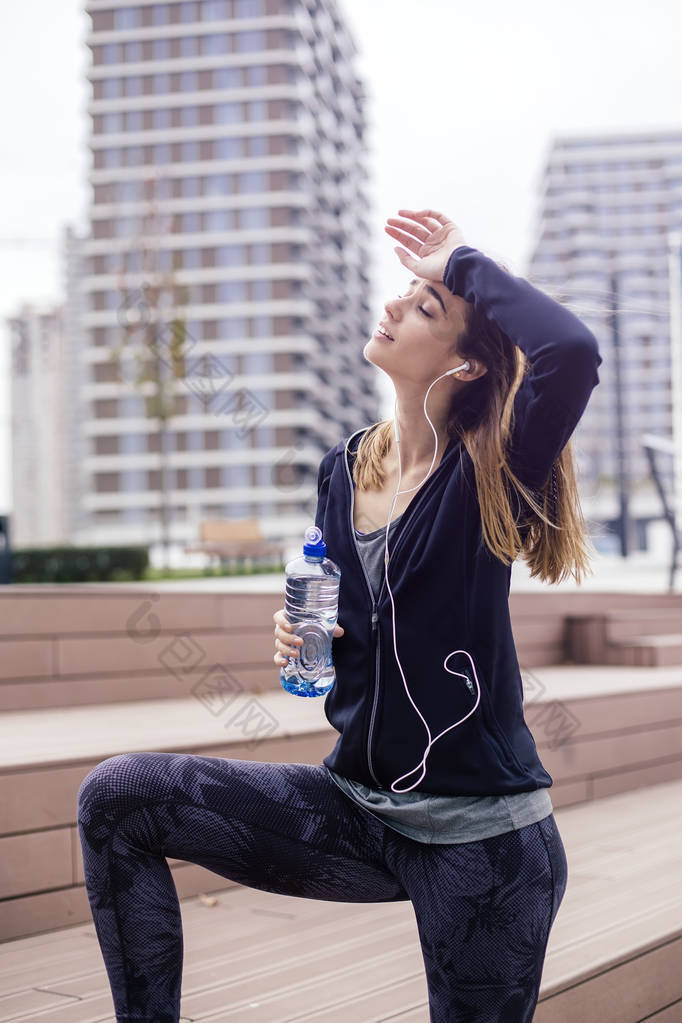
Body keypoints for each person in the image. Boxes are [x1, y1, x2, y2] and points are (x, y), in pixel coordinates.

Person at [77, 209, 602, 1022]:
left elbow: (570, 353)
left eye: (425, 308)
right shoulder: (343, 468)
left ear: (464, 364)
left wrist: (460, 263)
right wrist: (306, 637)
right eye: (407, 294)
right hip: (354, 806)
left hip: (483, 843)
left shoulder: (489, 472)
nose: (394, 307)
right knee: (117, 797)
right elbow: (348, 610)